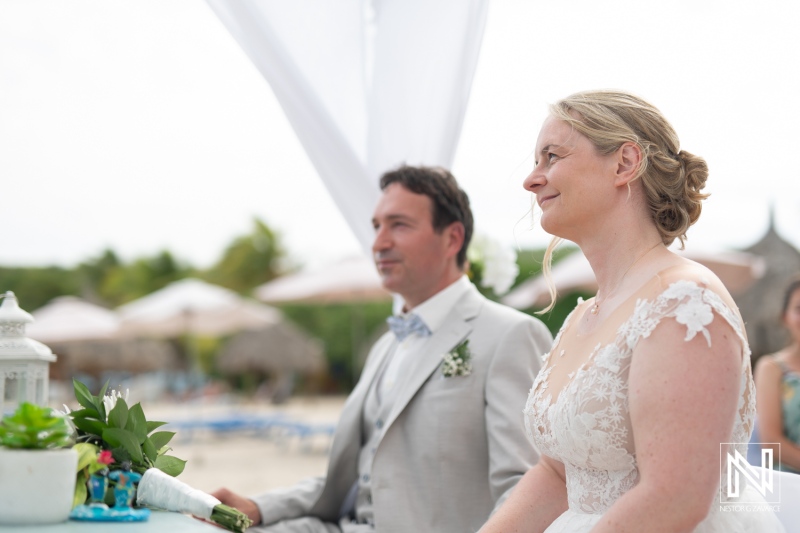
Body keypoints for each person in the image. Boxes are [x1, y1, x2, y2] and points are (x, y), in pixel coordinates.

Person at [480, 90, 784, 532]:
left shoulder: (684, 303)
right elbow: (557, 473)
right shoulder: (580, 318)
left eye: (551, 156)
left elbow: (674, 499)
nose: (531, 179)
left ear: (624, 164)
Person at [213, 165, 553, 532]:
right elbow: (351, 480)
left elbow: (526, 488)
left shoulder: (511, 335)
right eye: (377, 227)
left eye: (399, 225)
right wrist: (259, 507)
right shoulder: (386, 345)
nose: (378, 243)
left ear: (452, 238)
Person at [755, 278, 800, 473]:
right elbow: (772, 443)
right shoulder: (772, 368)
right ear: (785, 317)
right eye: (799, 309)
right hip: (789, 486)